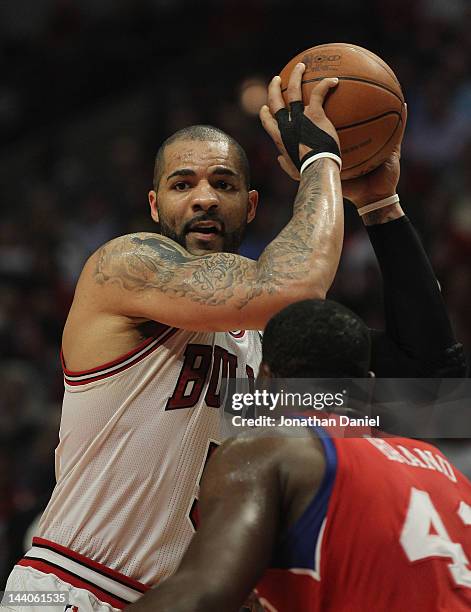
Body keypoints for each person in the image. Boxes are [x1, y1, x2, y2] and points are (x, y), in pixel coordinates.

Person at [1, 62, 464, 610]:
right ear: (154, 206)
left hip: (194, 598)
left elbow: (434, 392)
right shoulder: (124, 265)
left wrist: (379, 205)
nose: (203, 198)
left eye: (223, 184)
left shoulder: (270, 342)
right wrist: (320, 161)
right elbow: (291, 286)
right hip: (81, 587)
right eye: (182, 184)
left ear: (250, 206)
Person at [127, 299, 471, 612]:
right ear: (367, 384)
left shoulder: (274, 446)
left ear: (264, 378)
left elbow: (201, 594)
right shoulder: (443, 467)